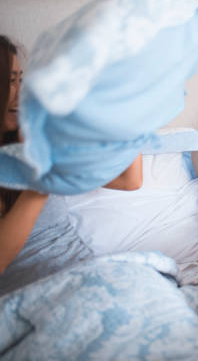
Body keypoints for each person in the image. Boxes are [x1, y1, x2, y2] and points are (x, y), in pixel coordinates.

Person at [0, 34, 143, 283]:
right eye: (11, 82)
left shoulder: (38, 138)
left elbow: (128, 180)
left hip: (86, 272)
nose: (20, 93)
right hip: (32, 291)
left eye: (21, 80)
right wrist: (41, 179)